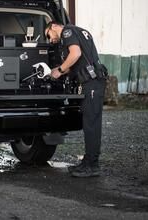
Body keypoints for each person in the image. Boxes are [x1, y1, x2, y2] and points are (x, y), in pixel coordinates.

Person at [44, 21, 107, 178]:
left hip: (91, 82)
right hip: (93, 81)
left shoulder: (67, 32)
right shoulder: (79, 31)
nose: (50, 40)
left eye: (48, 35)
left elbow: (76, 54)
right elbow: (75, 62)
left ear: (53, 27)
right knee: (89, 123)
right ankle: (88, 162)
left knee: (91, 124)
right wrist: (57, 71)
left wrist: (59, 70)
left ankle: (92, 165)